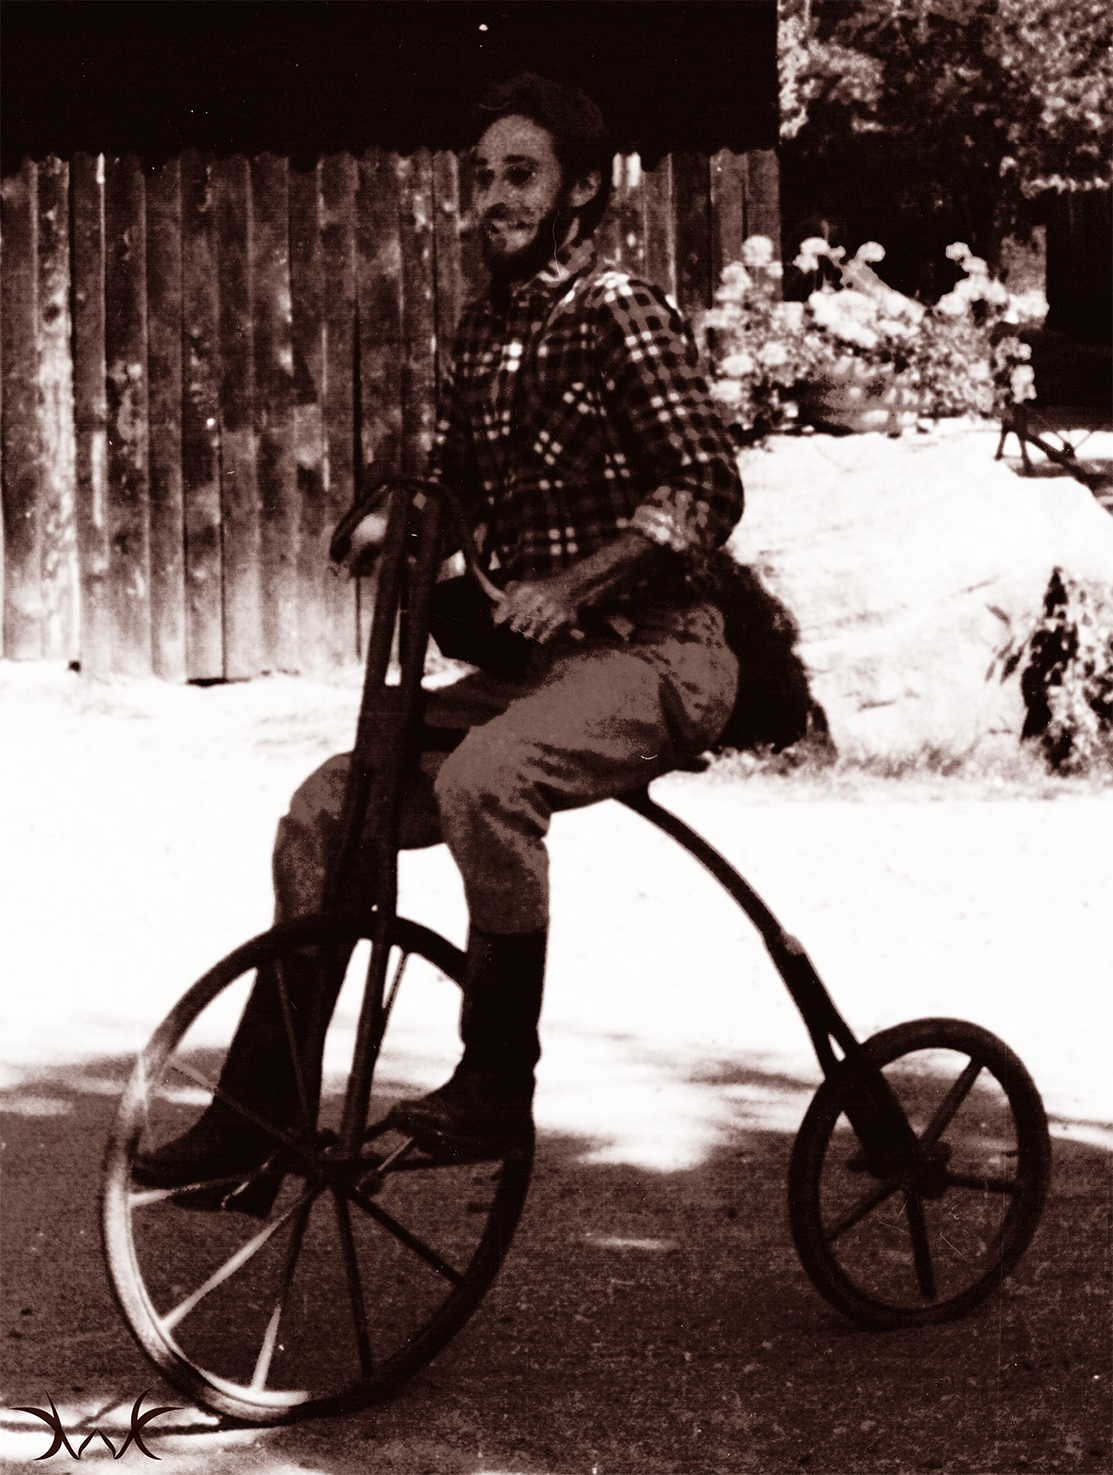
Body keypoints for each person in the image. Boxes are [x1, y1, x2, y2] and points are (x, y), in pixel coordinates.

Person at [136, 73, 744, 1192]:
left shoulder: (620, 311)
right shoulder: (484, 331)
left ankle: (496, 1083)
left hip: (658, 651)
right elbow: (454, 487)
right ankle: (258, 1116)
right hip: (542, 673)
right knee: (328, 809)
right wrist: (398, 519)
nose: (494, 198)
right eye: (482, 177)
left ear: (580, 190)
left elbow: (704, 485)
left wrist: (574, 582)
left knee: (483, 777)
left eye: (521, 175)